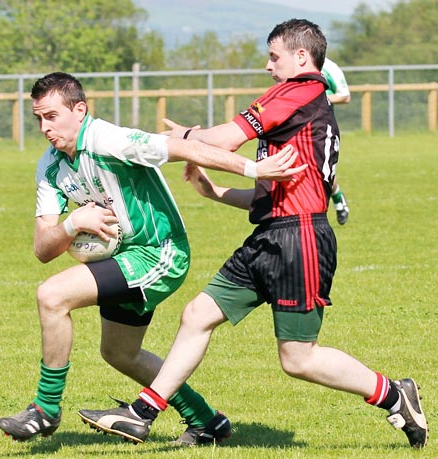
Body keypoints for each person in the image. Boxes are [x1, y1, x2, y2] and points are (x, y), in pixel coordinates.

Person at [77, 19, 428, 449]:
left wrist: (176, 138)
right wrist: (215, 191)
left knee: (298, 358)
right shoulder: (304, 111)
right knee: (197, 315)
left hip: (297, 242)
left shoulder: (298, 91)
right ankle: (142, 413)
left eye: (274, 56)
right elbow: (269, 196)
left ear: (301, 57)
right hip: (273, 236)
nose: (268, 65)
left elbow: (225, 139)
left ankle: (395, 394)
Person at [0, 72, 304, 446]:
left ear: (80, 110)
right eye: (38, 118)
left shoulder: (109, 139)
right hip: (124, 257)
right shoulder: (50, 166)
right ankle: (208, 422)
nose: (44, 127)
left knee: (52, 295)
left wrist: (254, 169)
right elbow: (43, 248)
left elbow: (183, 149)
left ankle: (44, 409)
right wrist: (74, 223)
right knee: (119, 352)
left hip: (160, 253)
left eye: (52, 116)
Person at [321, 57, 351, 225]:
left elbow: (345, 96)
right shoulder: (291, 63)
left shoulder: (329, 67)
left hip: (322, 126)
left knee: (322, 170)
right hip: (295, 125)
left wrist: (318, 97)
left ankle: (338, 198)